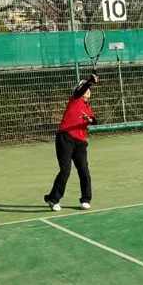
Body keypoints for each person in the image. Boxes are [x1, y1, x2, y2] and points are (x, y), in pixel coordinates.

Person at [44, 74, 100, 211]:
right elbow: (82, 90)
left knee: (84, 170)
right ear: (79, 89)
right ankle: (53, 199)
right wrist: (90, 82)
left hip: (80, 142)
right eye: (84, 88)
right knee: (65, 171)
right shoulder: (75, 99)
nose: (87, 91)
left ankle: (86, 199)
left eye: (89, 89)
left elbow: (95, 121)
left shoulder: (87, 108)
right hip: (65, 138)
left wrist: (89, 120)